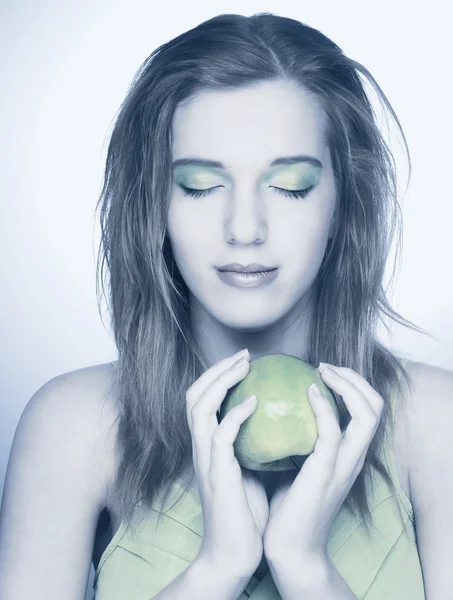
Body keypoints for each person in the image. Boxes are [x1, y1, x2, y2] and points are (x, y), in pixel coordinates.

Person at [1, 11, 452, 600]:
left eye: (290, 185)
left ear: (343, 204)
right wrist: (217, 569)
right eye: (199, 185)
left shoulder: (434, 422)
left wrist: (304, 565)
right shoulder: (73, 426)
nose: (244, 228)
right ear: (154, 206)